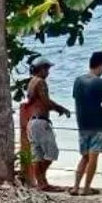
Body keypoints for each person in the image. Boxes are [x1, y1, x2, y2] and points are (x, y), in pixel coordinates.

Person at [71, 51, 102, 196]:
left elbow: (78, 101)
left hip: (82, 124)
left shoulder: (78, 81)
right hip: (98, 124)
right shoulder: (101, 83)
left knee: (84, 156)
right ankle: (87, 188)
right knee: (93, 157)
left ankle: (76, 187)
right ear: (101, 66)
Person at [24, 57, 68, 190]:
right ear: (41, 69)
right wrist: (61, 109)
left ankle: (42, 183)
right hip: (41, 122)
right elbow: (46, 102)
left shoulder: (31, 82)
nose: (48, 72)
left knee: (37, 154)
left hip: (32, 122)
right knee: (52, 152)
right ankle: (42, 180)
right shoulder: (41, 82)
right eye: (47, 69)